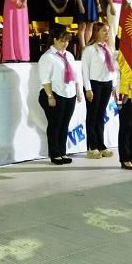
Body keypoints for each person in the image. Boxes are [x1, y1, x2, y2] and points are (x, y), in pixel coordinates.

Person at [38, 25, 82, 165]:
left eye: (67, 41)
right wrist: (50, 96)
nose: (65, 43)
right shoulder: (47, 57)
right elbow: (45, 79)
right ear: (55, 40)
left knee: (64, 125)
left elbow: (75, 75)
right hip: (54, 94)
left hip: (69, 94)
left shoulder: (69, 55)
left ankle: (62, 152)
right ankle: (54, 153)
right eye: (62, 40)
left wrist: (78, 91)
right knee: (55, 125)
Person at [81, 22, 116, 159]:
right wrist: (88, 89)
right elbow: (85, 70)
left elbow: (113, 68)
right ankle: (92, 147)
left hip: (106, 83)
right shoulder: (89, 50)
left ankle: (101, 145)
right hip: (94, 84)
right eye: (104, 31)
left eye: (107, 31)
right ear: (96, 32)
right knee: (92, 115)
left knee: (101, 115)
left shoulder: (108, 48)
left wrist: (113, 85)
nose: (107, 33)